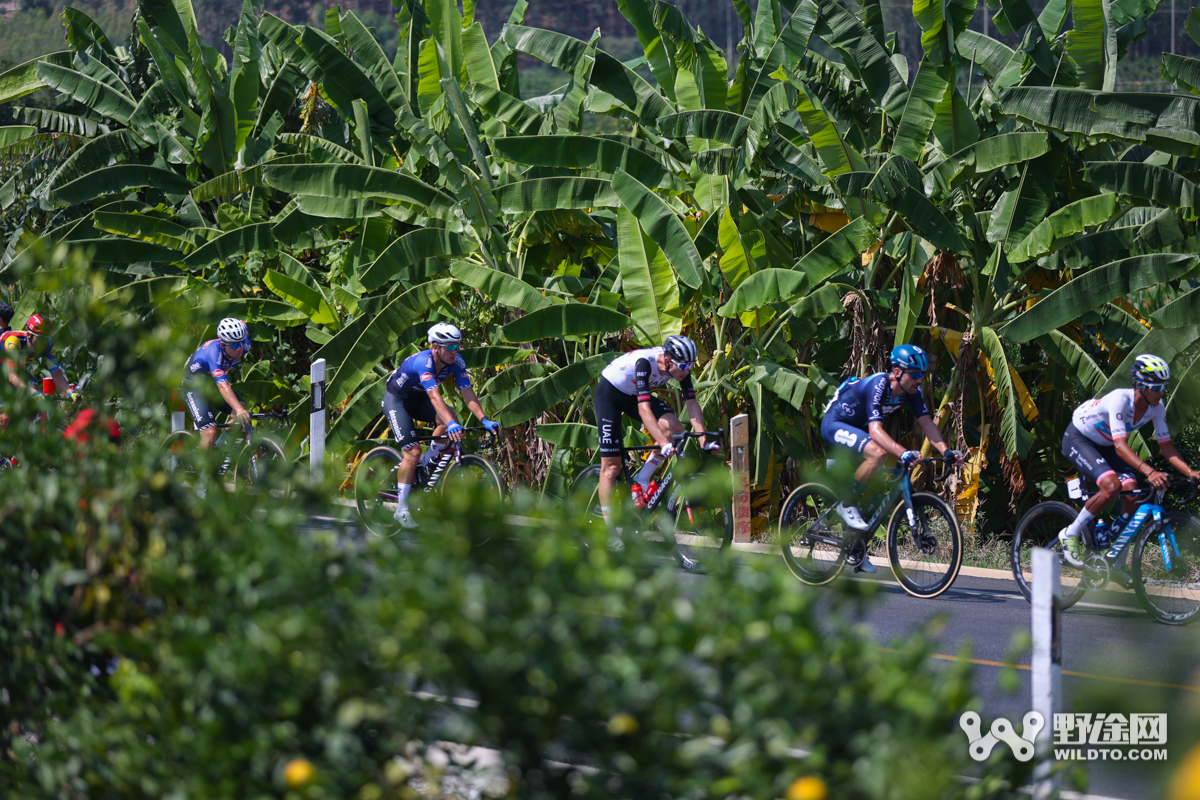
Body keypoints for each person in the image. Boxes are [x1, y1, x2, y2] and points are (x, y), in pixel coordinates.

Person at [820, 344, 962, 573]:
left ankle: (856, 547)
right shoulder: (879, 384)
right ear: (897, 372)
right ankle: (845, 504)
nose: (919, 380)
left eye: (922, 376)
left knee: (877, 488)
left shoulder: (912, 393)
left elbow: (927, 424)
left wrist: (946, 451)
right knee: (879, 454)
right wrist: (903, 452)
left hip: (860, 431)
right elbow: (876, 432)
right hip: (836, 424)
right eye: (915, 374)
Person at [1058, 354, 1200, 566]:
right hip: (1080, 438)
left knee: (1133, 495)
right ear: (1141, 386)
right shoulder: (1120, 400)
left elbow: (1167, 446)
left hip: (1107, 446)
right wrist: (1151, 472)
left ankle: (1112, 554)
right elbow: (1121, 446)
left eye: (1164, 386)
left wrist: (1190, 472)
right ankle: (1070, 533)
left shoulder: (1157, 408)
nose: (1162, 392)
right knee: (1111, 486)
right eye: (1157, 386)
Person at [594, 334, 720, 548]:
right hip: (610, 394)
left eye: (691, 365)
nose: (688, 370)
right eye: (684, 366)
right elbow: (644, 410)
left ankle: (642, 478)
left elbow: (692, 404)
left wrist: (702, 439)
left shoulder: (680, 370)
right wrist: (663, 443)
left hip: (632, 394)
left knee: (675, 428)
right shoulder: (645, 363)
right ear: (668, 361)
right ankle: (610, 532)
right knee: (612, 466)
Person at [382, 323, 501, 530]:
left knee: (449, 418)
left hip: (418, 399)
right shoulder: (423, 362)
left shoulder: (457, 361)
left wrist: (484, 420)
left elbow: (467, 393)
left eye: (458, 346)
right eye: (451, 347)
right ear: (436, 347)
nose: (456, 351)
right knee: (413, 451)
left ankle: (427, 462)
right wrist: (452, 423)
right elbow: (435, 396)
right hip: (397, 401)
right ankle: (401, 510)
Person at [182, 318, 253, 449]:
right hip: (193, 384)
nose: (239, 348)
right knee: (210, 433)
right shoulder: (214, 353)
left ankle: (219, 450)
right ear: (223, 344)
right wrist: (238, 409)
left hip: (210, 383)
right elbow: (222, 386)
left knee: (241, 417)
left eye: (241, 343)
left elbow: (243, 324)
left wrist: (240, 325)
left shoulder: (243, 344)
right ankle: (201, 468)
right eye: (234, 345)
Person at [1, 313, 80, 401]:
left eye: (47, 338)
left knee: (35, 388)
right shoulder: (14, 341)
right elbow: (11, 376)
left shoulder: (48, 345)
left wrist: (71, 392)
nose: (44, 342)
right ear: (29, 335)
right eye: (41, 338)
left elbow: (57, 375)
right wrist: (34, 393)